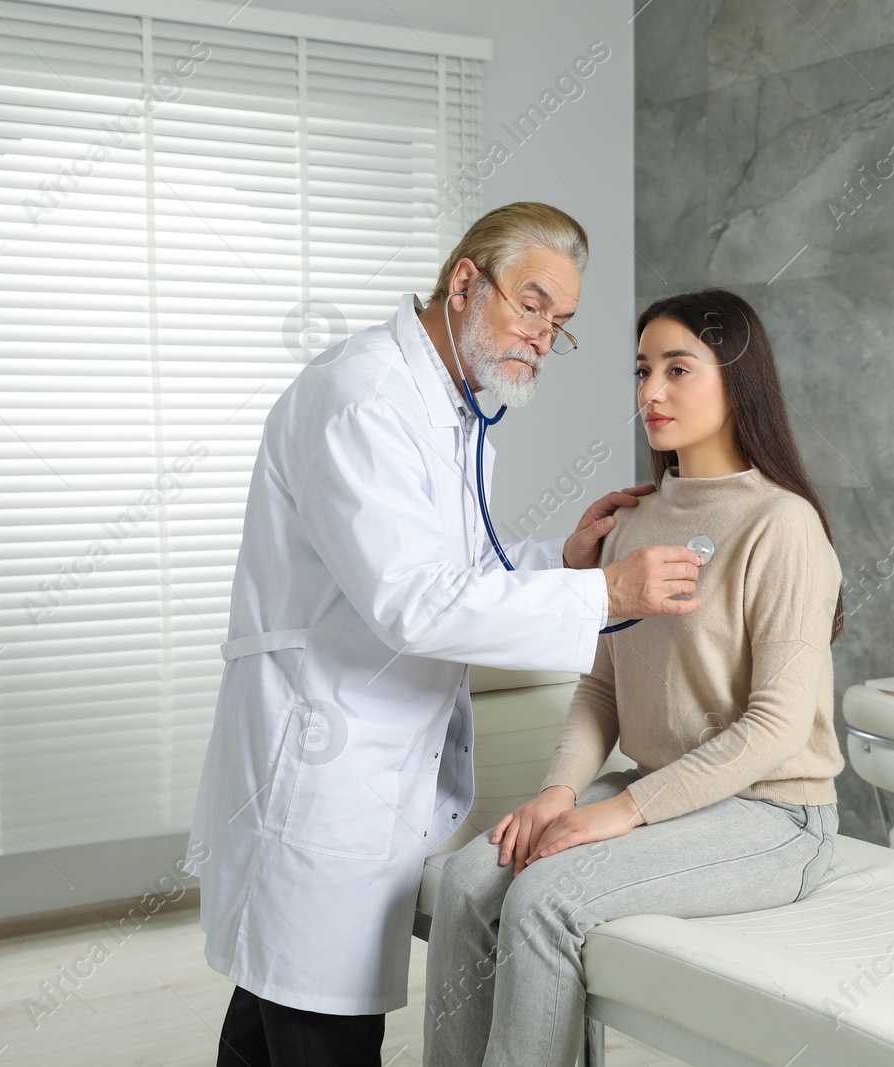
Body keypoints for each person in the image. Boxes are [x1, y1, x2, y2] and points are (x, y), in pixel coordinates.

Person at [187, 202, 707, 1067]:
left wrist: (564, 560)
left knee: (268, 1017)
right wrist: (605, 589)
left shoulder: (449, 407)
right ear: (465, 282)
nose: (543, 337)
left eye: (562, 324)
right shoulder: (362, 397)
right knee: (319, 1026)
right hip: (321, 766)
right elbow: (411, 602)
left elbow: (452, 571)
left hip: (355, 762)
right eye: (532, 304)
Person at [422, 287, 848, 1067]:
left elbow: (777, 727)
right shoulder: (637, 520)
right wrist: (559, 792)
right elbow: (602, 688)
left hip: (775, 817)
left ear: (737, 381)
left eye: (678, 369)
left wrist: (623, 811)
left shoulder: (782, 525)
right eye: (642, 369)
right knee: (464, 881)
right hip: (662, 790)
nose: (651, 392)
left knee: (546, 896)